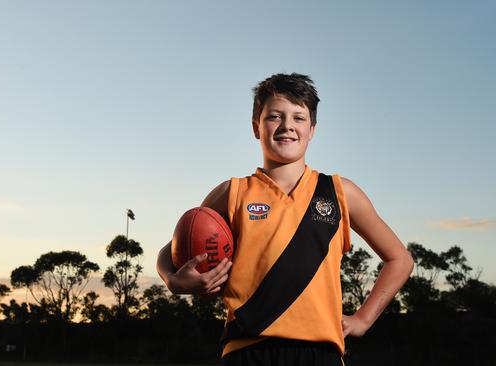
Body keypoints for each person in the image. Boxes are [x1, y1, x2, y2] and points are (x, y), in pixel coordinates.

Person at [156, 72, 415, 366]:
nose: (287, 126)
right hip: (247, 349)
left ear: (312, 129)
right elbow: (171, 250)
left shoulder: (340, 192)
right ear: (256, 126)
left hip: (320, 352)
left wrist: (363, 319)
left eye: (298, 118)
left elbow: (400, 259)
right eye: (274, 117)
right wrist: (175, 280)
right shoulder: (233, 192)